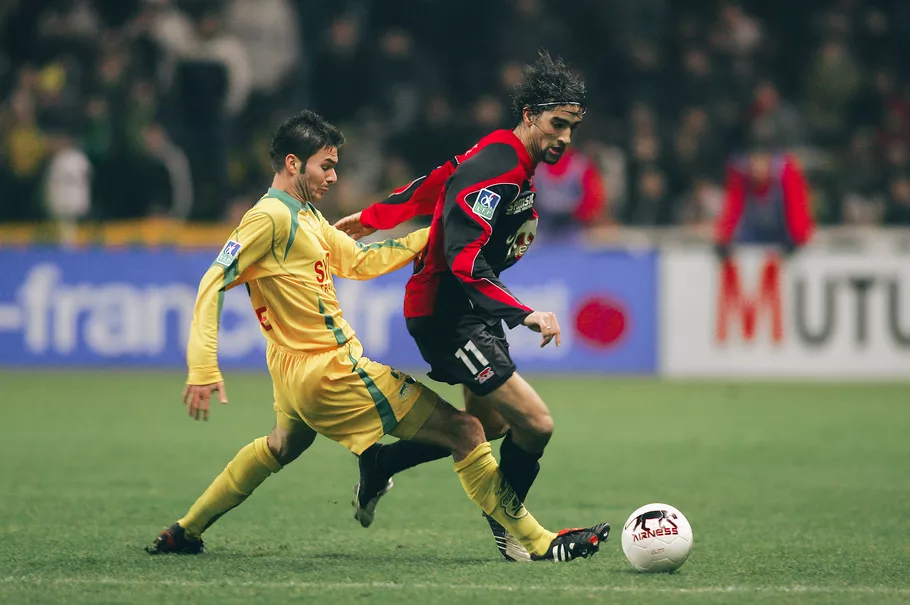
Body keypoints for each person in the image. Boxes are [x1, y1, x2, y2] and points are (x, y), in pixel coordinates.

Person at [146, 110, 608, 563]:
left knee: (281, 446)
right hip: (331, 369)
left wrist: (437, 233)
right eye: (325, 166)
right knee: (468, 430)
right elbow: (213, 280)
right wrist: (204, 366)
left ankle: (186, 530)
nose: (333, 177)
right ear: (292, 163)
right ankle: (539, 541)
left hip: (290, 372)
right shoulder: (268, 217)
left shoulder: (304, 216)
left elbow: (359, 262)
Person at [333, 51, 601, 561]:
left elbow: (437, 179)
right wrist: (525, 313)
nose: (564, 137)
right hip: (446, 312)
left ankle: (380, 465)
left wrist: (375, 216)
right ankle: (508, 523)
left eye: (571, 127)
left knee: (492, 427)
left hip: (465, 309)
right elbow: (463, 261)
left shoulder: (502, 150)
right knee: (536, 425)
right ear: (529, 116)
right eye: (556, 124)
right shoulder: (501, 170)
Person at [714, 144, 814, 259]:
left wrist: (798, 236)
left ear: (770, 162)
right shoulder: (741, 176)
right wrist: (723, 238)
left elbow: (796, 207)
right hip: (752, 235)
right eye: (754, 163)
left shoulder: (787, 174)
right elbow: (732, 208)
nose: (758, 169)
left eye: (762, 163)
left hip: (782, 235)